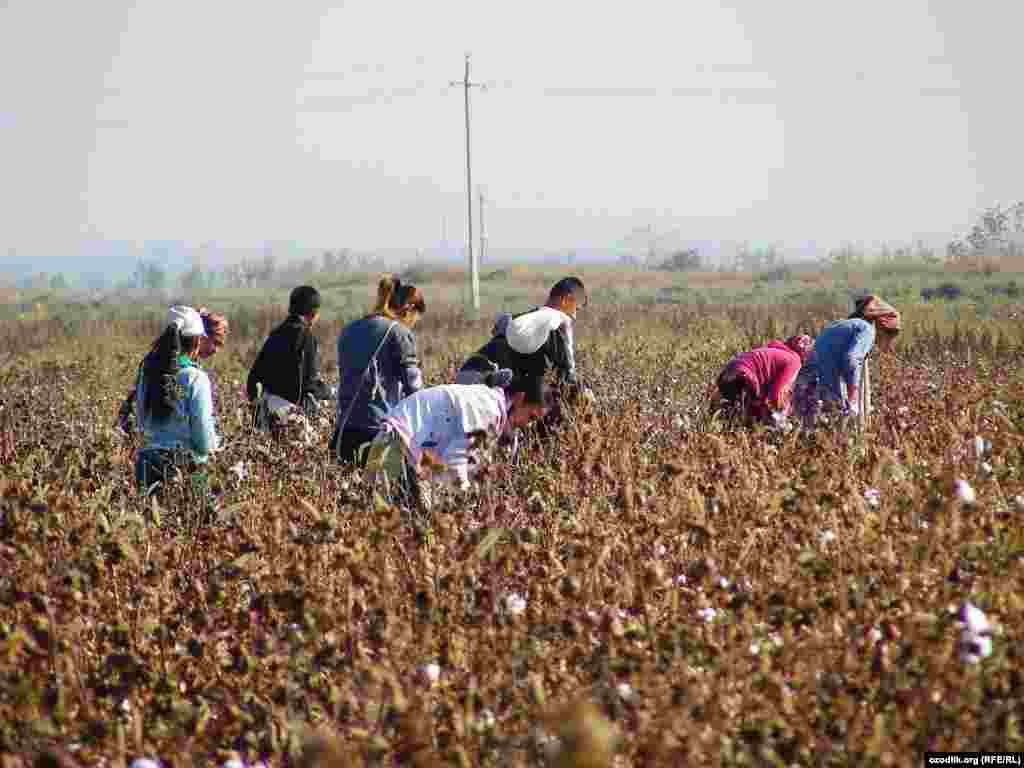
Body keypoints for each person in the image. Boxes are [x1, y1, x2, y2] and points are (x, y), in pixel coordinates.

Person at [366, 372, 548, 510]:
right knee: (385, 523)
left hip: (398, 447)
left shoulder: (490, 402)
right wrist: (465, 506)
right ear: (520, 398)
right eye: (531, 417)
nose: (527, 425)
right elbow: (455, 464)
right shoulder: (488, 408)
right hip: (393, 446)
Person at [331, 275, 426, 463]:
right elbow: (414, 389)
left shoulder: (349, 329)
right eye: (414, 319)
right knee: (393, 491)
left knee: (351, 491)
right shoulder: (398, 332)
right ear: (409, 309)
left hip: (344, 431)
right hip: (379, 433)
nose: (412, 325)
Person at [133, 306, 221, 509]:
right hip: (184, 466)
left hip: (146, 464)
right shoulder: (195, 378)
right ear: (198, 341)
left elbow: (139, 420)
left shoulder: (147, 373)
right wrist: (218, 447)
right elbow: (204, 440)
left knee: (152, 532)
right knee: (205, 525)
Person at [455, 277, 586, 392]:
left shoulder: (518, 320)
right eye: (576, 309)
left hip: (465, 374)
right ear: (566, 300)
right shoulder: (557, 324)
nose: (574, 317)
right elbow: (568, 379)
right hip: (486, 386)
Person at [792, 295, 901, 429]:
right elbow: (851, 359)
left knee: (812, 436)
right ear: (882, 328)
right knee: (840, 433)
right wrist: (853, 395)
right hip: (823, 386)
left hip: (806, 384)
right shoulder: (867, 330)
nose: (887, 342)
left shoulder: (841, 324)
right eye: (889, 337)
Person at [117, 308, 228, 432]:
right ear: (200, 337)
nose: (216, 350)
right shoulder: (193, 376)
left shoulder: (151, 363)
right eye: (216, 342)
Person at [247, 286, 334, 429]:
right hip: (290, 419)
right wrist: (329, 392)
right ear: (313, 313)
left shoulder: (275, 334)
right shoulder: (306, 337)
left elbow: (253, 378)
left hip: (265, 414)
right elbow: (309, 384)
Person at [711, 334, 813, 425]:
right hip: (744, 376)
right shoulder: (794, 361)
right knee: (758, 420)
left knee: (733, 418)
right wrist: (784, 417)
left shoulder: (775, 352)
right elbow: (776, 395)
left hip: (727, 374)